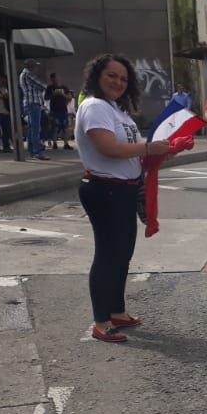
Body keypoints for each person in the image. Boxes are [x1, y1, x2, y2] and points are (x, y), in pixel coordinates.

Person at [74, 53, 172, 343]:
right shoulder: (94, 107)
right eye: (111, 76)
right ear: (97, 77)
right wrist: (148, 150)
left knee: (123, 254)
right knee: (107, 255)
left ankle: (116, 311)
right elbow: (108, 147)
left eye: (123, 78)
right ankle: (101, 320)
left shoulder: (118, 111)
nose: (118, 82)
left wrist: (158, 150)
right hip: (104, 190)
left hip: (124, 189)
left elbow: (134, 147)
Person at [20, 61, 49, 159]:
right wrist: (43, 87)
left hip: (28, 103)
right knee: (36, 128)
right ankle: (37, 152)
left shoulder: (23, 75)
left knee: (31, 128)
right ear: (31, 66)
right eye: (35, 66)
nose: (37, 68)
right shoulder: (28, 74)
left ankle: (32, 151)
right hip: (33, 103)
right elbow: (42, 85)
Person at [46, 73, 73, 150]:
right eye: (53, 79)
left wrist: (62, 94)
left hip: (63, 109)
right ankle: (54, 143)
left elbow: (70, 98)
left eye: (56, 78)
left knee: (65, 127)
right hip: (54, 110)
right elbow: (46, 98)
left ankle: (66, 143)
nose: (55, 80)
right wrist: (53, 94)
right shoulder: (49, 88)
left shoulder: (64, 87)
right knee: (54, 127)